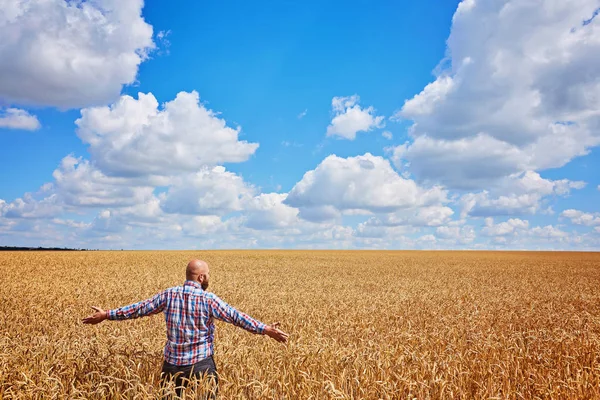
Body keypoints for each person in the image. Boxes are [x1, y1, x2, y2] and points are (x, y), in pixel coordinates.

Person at [82, 259, 289, 398]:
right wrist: (265, 329)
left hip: (171, 368)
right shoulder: (209, 299)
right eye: (207, 275)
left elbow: (139, 309)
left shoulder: (169, 295)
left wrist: (106, 314)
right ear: (201, 278)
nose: (208, 278)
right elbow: (236, 317)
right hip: (201, 367)